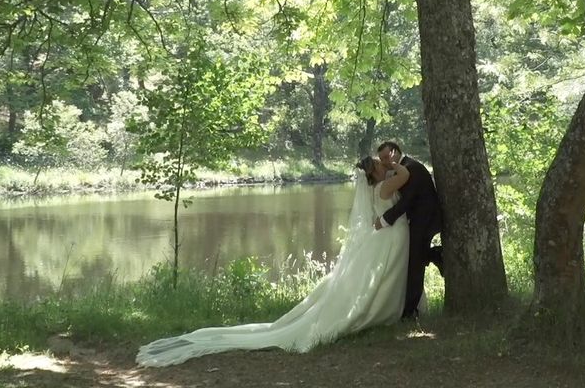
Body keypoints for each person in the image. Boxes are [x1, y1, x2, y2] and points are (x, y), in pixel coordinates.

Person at [136, 156, 411, 367]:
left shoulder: (377, 187)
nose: (382, 163)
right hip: (392, 236)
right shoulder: (385, 186)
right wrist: (394, 163)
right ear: (375, 172)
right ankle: (383, 313)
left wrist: (384, 164)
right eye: (378, 163)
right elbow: (406, 174)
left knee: (384, 276)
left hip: (388, 234)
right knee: (387, 276)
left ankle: (388, 311)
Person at [374, 141, 443, 320]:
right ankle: (435, 255)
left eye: (386, 157)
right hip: (419, 220)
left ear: (395, 153)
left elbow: (406, 203)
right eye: (381, 159)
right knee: (414, 258)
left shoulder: (411, 168)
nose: (383, 162)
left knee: (415, 265)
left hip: (426, 220)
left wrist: (384, 220)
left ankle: (410, 311)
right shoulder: (403, 167)